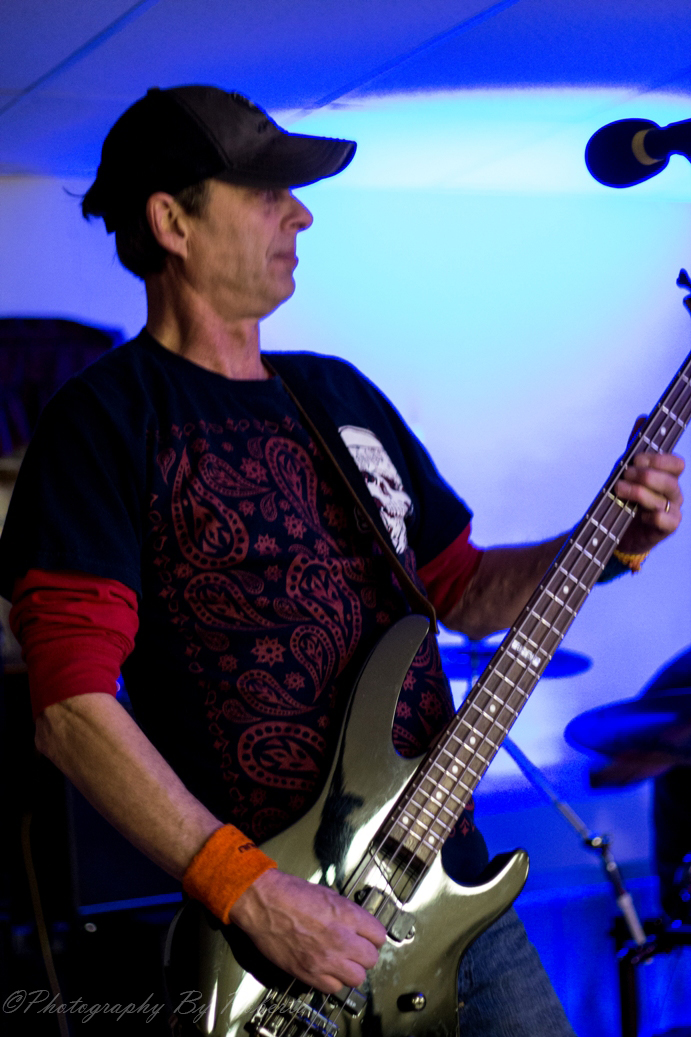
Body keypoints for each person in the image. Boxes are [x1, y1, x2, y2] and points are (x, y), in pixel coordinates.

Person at [0, 85, 684, 1035]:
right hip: (275, 928)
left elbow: (461, 590)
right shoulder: (103, 424)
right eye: (266, 190)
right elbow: (71, 711)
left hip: (452, 887)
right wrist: (249, 891)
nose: (303, 211)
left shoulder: (337, 396)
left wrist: (611, 544)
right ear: (172, 222)